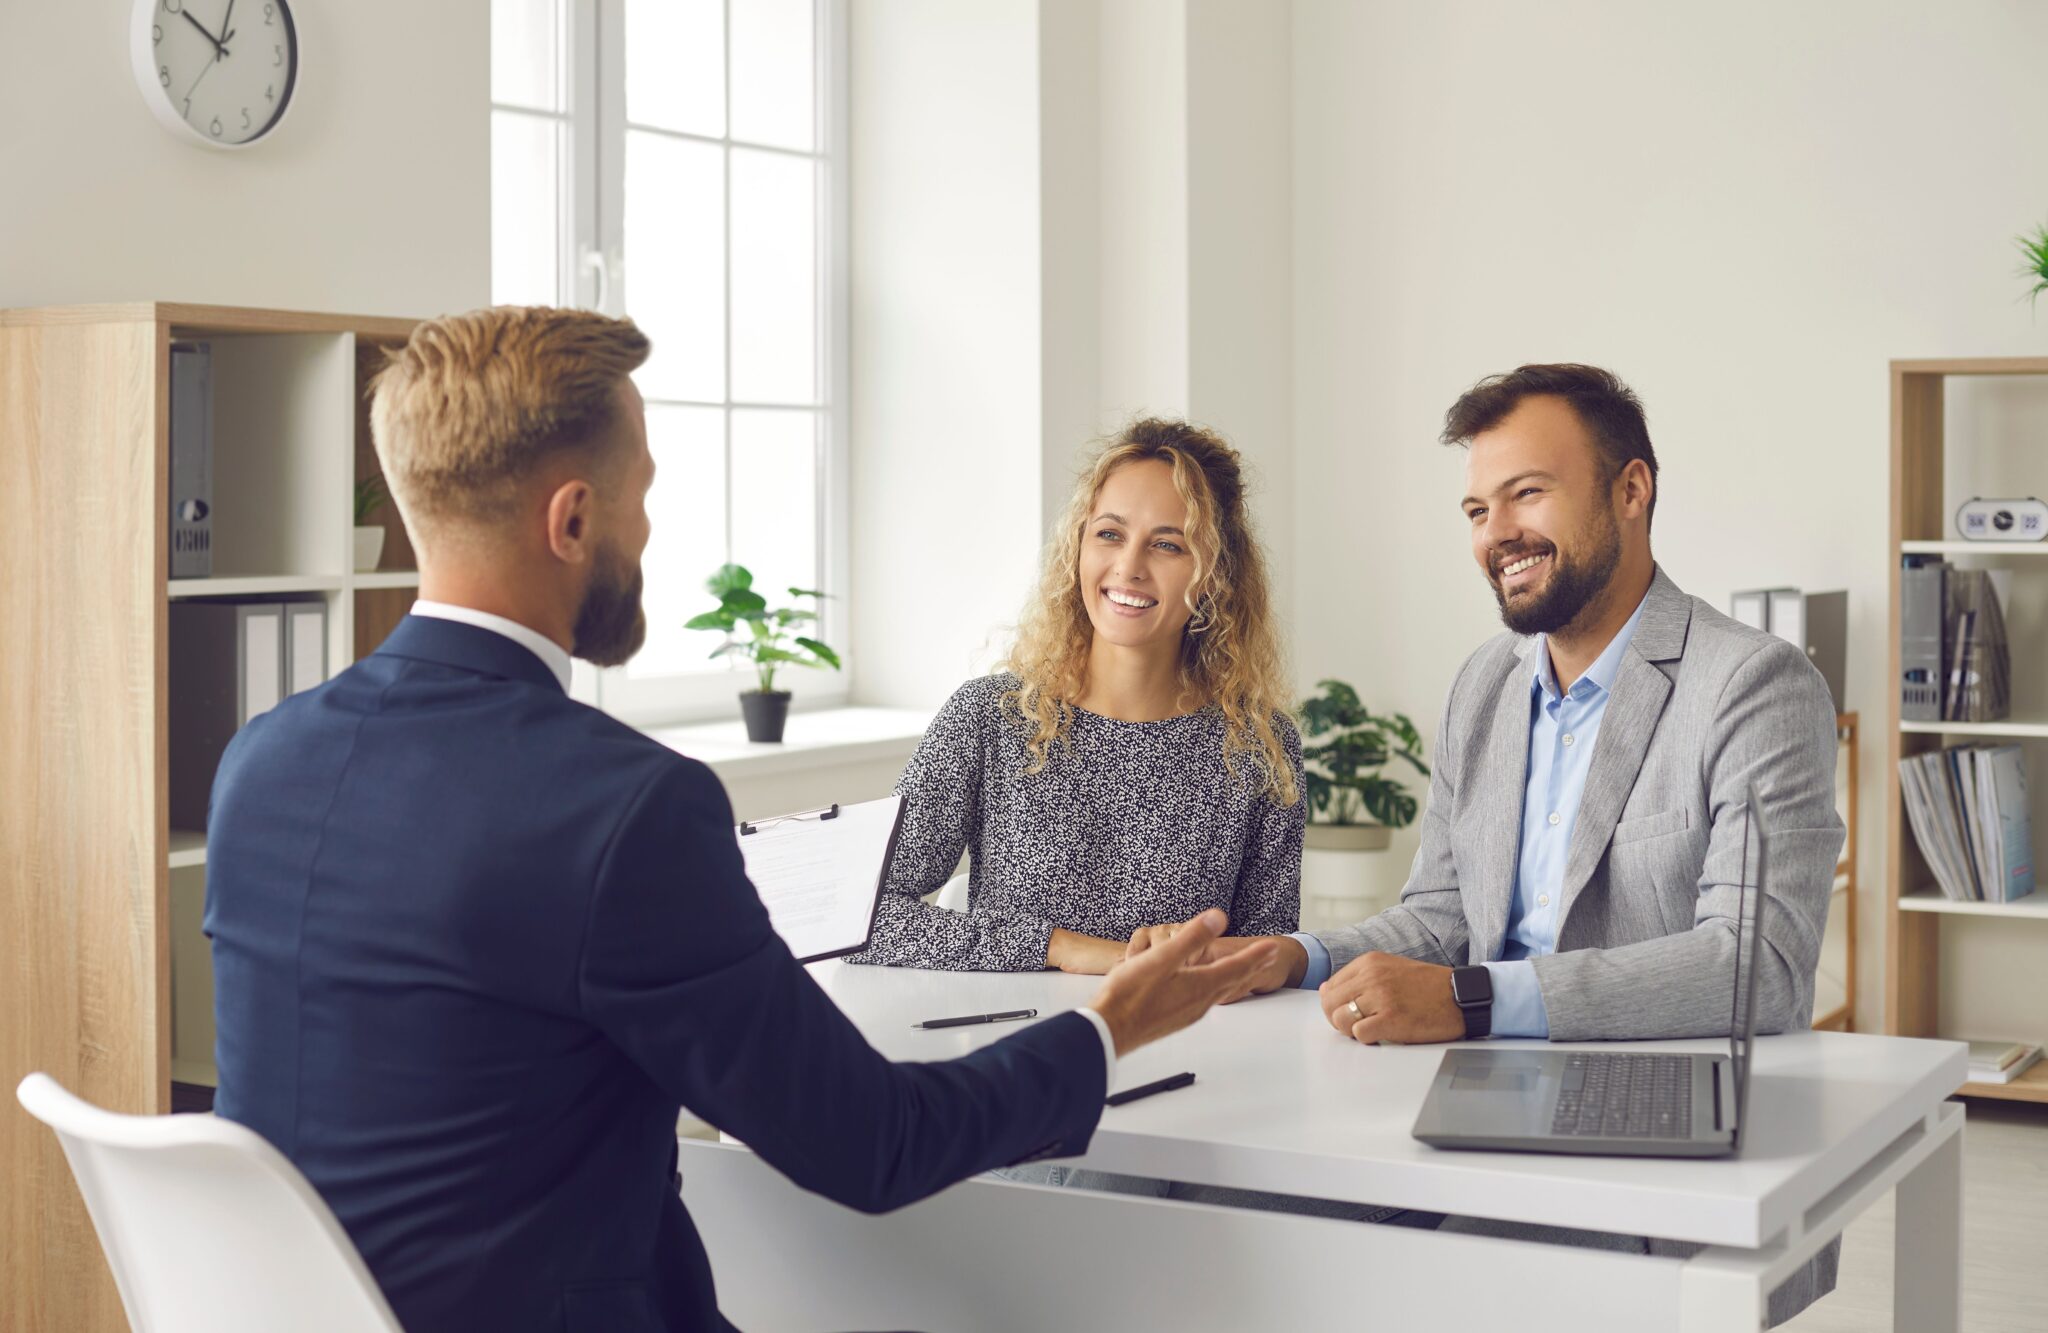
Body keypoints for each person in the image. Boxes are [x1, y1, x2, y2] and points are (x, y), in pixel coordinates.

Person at [202, 307, 1279, 1333]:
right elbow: (870, 1143)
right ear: (573, 519)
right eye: (643, 495)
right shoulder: (623, 807)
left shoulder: (260, 765)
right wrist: (1107, 1025)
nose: (649, 526)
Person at [1130, 363, 1844, 1325]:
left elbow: (1756, 965)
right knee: (1196, 1221)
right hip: (1463, 1097)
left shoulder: (1755, 683)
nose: (1495, 533)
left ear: (1632, 490)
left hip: (1647, 1133)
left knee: (1430, 1297)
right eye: (1476, 507)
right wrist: (1290, 956)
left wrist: (1472, 999)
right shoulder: (1486, 685)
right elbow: (1441, 911)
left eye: (1527, 493)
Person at [846, 419, 1304, 975]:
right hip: (1021, 1051)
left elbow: (1268, 965)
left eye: (1167, 545)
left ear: (1215, 575)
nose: (1129, 568)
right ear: (1078, 546)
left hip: (1189, 1051)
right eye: (1109, 534)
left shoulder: (1259, 747)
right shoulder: (990, 719)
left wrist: (1218, 962)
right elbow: (857, 919)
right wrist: (1061, 949)